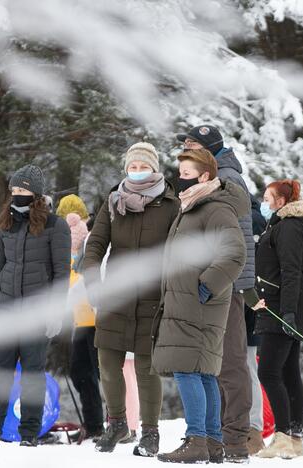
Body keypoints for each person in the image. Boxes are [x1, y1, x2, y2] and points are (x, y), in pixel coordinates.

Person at [83, 142, 180, 456]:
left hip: (152, 297)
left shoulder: (170, 203)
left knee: (146, 367)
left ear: (154, 168)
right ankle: (117, 423)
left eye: (143, 167)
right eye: (132, 167)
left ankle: (150, 432)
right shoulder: (113, 201)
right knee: (107, 363)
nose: (137, 172)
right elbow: (95, 244)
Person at [152, 149, 248, 464]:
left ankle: (196, 439)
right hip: (185, 299)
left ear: (205, 176)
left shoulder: (215, 209)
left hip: (198, 301)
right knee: (203, 371)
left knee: (187, 368)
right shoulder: (192, 207)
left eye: (187, 173)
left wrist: (204, 287)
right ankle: (212, 442)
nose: (180, 179)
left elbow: (234, 254)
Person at [0, 165, 71, 447]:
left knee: (31, 376)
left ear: (36, 193)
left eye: (23, 190)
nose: (17, 195)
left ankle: (29, 435)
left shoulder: (56, 226)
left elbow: (61, 274)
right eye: (14, 190)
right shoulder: (5, 224)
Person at [178, 125, 254, 461]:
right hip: (215, 283)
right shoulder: (212, 177)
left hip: (225, 285)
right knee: (214, 362)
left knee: (230, 363)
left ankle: (237, 439)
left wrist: (213, 282)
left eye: (191, 145)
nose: (185, 150)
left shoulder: (225, 180)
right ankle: (216, 437)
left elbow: (231, 243)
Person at [251, 180, 303, 459]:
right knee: (288, 372)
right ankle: (294, 439)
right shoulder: (284, 225)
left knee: (269, 372)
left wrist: (289, 312)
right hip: (283, 304)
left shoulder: (290, 227)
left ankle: (283, 436)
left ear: (282, 201)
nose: (265, 203)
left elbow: (291, 271)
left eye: (269, 199)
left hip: (282, 307)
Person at [61, 208, 104, 440]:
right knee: (80, 373)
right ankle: (94, 424)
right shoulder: (70, 256)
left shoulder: (88, 251)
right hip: (80, 320)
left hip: (94, 319)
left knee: (101, 373)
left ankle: (114, 422)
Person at [245, 196, 267, 455]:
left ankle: (253, 426)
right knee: (247, 368)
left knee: (247, 368)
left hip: (249, 307)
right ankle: (252, 426)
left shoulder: (252, 221)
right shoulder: (256, 218)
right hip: (251, 308)